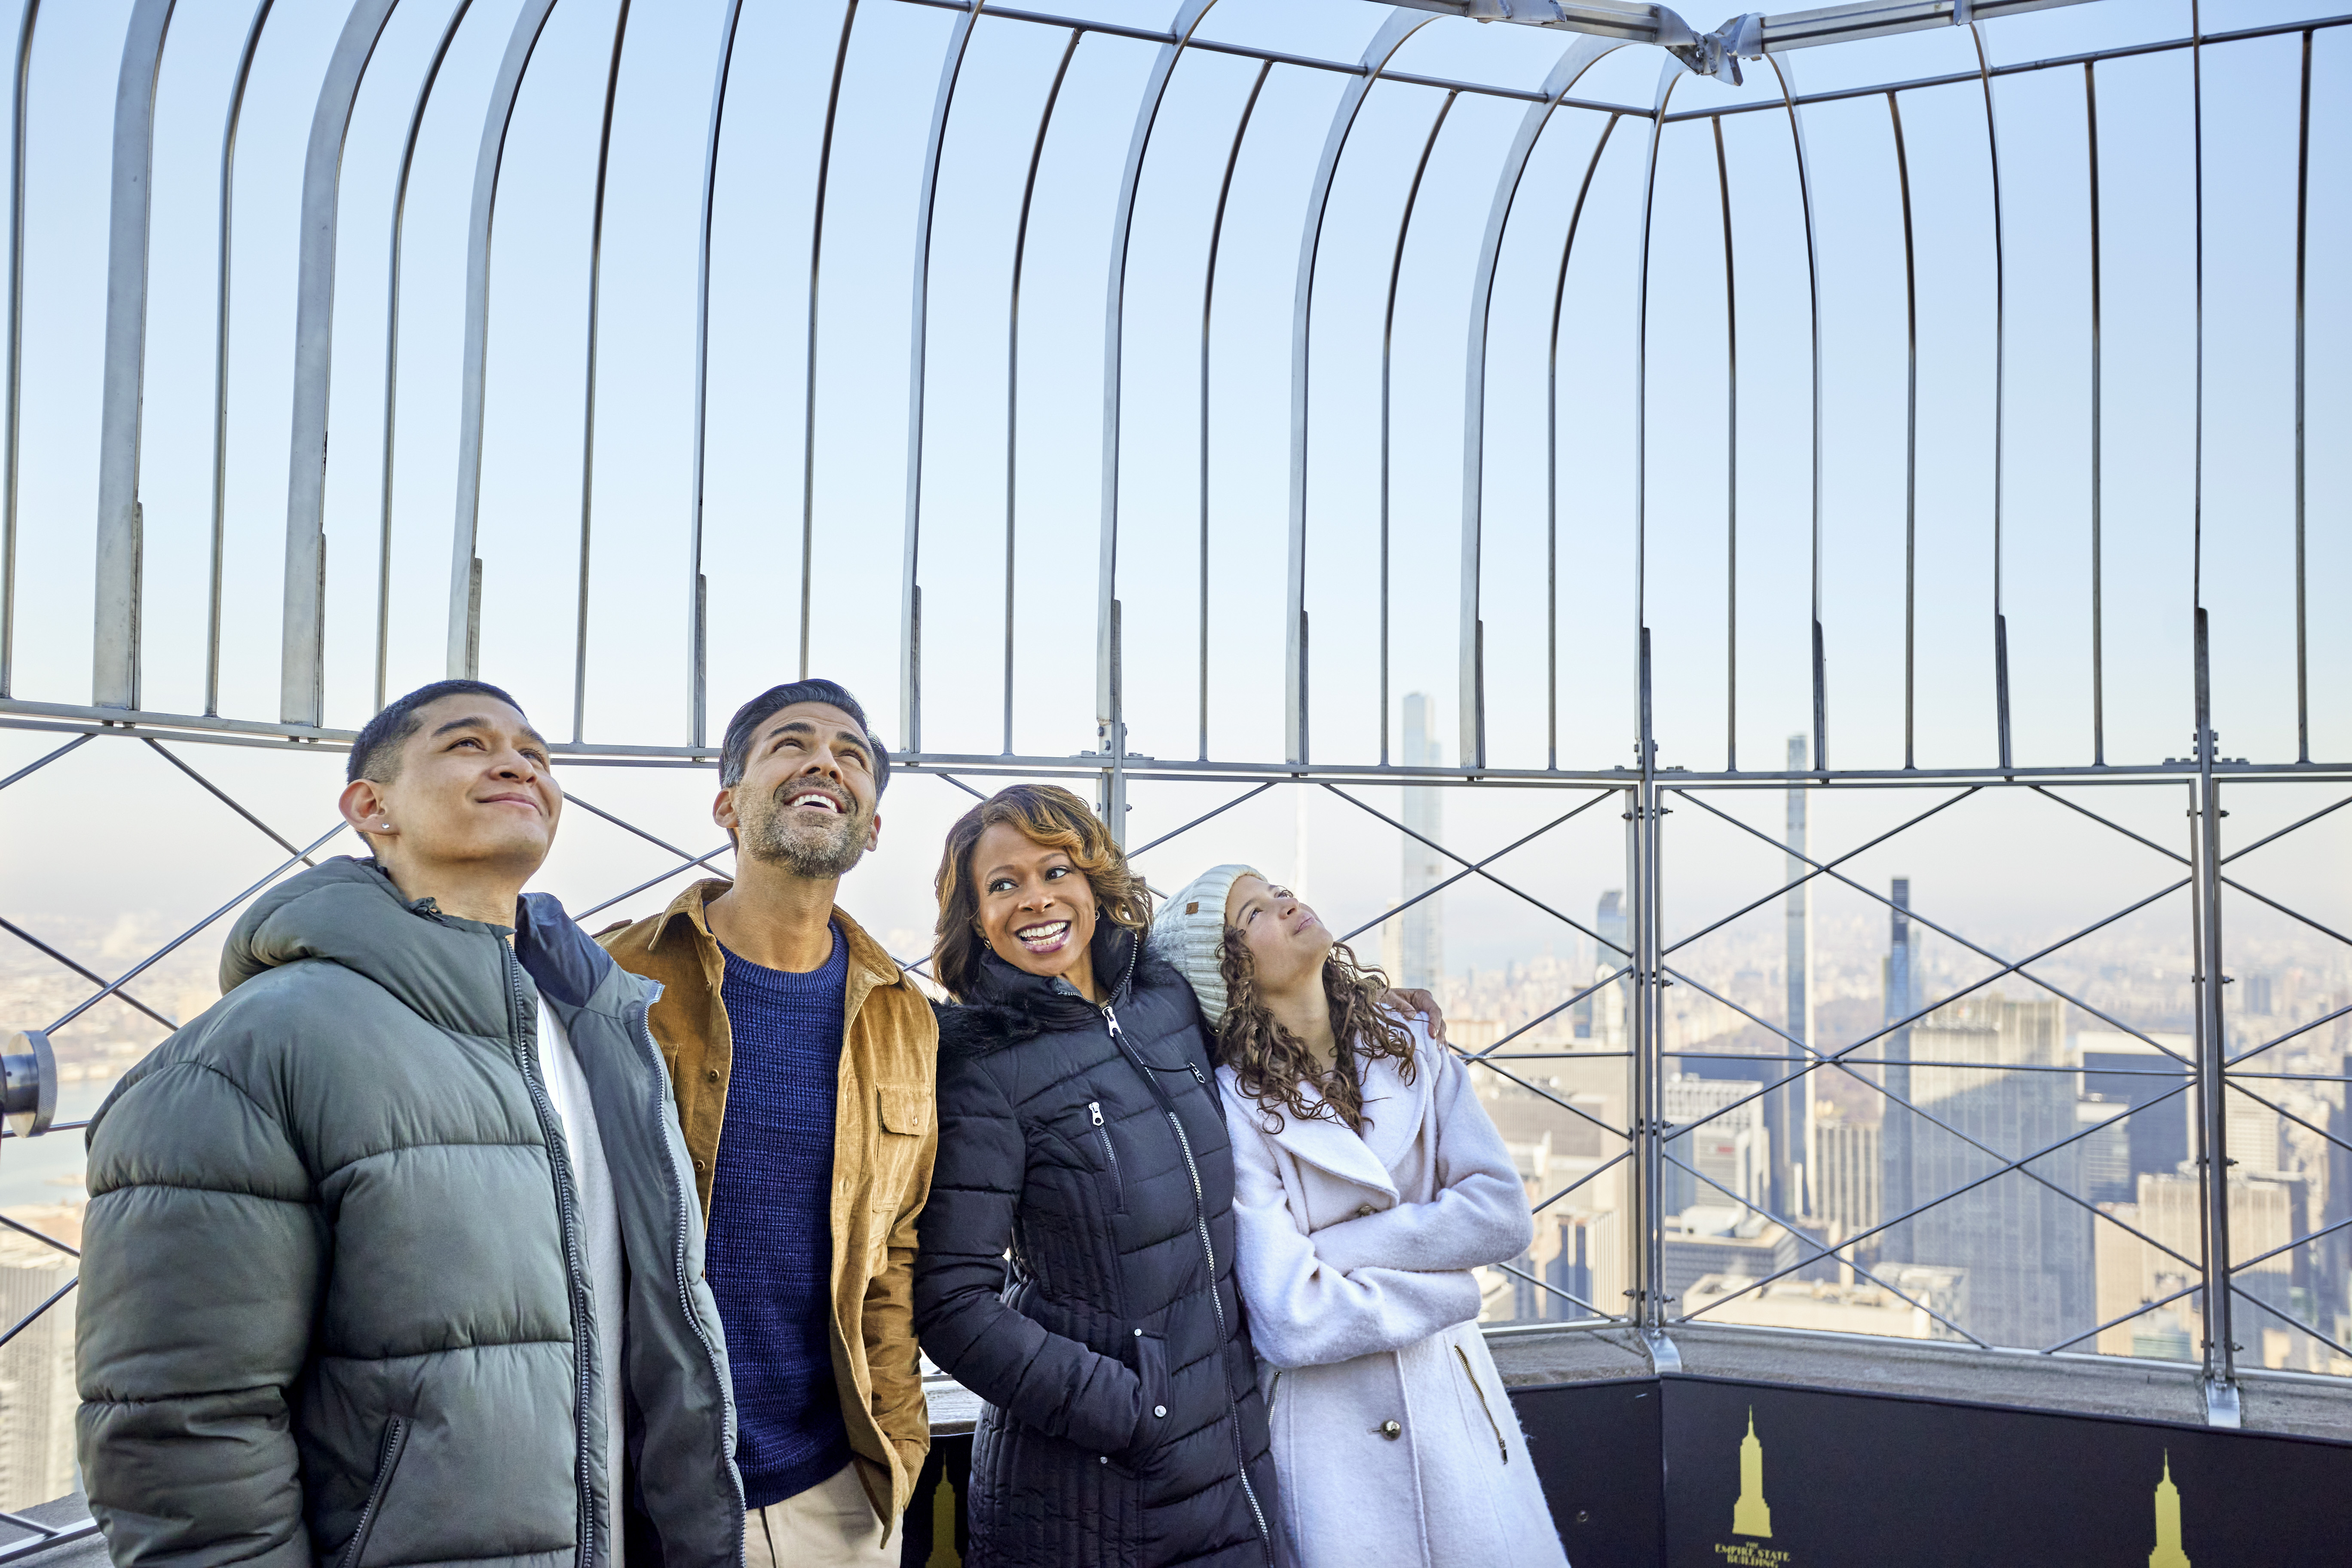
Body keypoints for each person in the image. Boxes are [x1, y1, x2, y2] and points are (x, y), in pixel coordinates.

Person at [76, 680, 742, 1568]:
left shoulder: (603, 1028)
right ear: (370, 806)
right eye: (468, 744)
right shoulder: (255, 1049)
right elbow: (180, 1422)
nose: (518, 763)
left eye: (536, 756)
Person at [597, 680, 936, 1568]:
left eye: (852, 756)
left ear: (871, 827)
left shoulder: (907, 1016)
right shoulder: (615, 979)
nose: (826, 760)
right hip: (651, 1488)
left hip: (842, 1489)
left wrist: (897, 1429)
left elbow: (894, 1247)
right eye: (791, 743)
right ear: (727, 805)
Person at [1151, 865, 1568, 1568]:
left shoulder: (1411, 1043)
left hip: (1459, 1425)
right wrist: (1454, 1289)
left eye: (1276, 890)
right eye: (1254, 913)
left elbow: (1502, 1218)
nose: (1284, 902)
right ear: (1228, 974)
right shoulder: (1230, 1110)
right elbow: (1291, 1316)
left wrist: (1340, 1248)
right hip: (1330, 1451)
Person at [913, 785, 1278, 1568]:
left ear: (1095, 882)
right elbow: (951, 1303)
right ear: (976, 918)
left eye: (1055, 871)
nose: (1035, 900)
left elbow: (1293, 1032)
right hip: (1088, 1490)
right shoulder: (981, 1070)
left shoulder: (1169, 1002)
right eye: (1003, 885)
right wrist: (1133, 1408)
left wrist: (1391, 1014)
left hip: (1231, 1455)